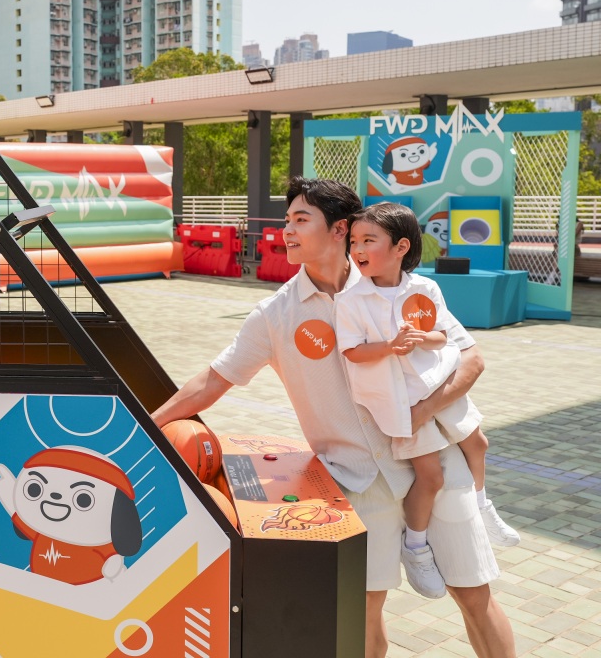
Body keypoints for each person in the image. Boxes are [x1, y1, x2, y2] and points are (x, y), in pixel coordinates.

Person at [151, 178, 516, 658]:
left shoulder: (398, 287)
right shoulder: (275, 315)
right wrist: (147, 425)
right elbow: (213, 380)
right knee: (362, 612)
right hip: (358, 483)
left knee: (474, 596)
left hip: (435, 465)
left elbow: (471, 358)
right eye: (286, 221)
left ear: (340, 228)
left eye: (301, 220)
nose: (287, 231)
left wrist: (420, 413)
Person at [336, 202, 519, 600]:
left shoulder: (424, 288)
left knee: (478, 443)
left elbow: (442, 336)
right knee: (431, 476)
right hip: (400, 404)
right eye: (354, 242)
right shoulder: (350, 300)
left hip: (435, 386)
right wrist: (390, 346)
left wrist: (423, 339)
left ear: (401, 247)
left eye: (368, 240)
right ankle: (416, 545)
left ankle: (483, 506)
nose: (358, 249)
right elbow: (351, 351)